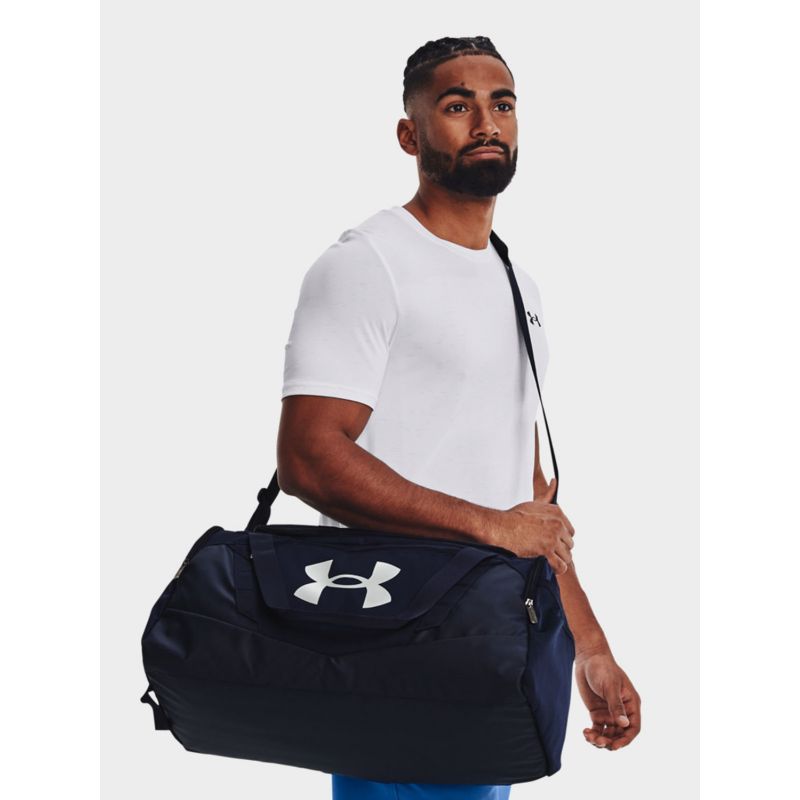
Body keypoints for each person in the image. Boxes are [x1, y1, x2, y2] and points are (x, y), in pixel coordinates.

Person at [277, 35, 641, 800]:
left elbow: (527, 496)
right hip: (390, 634)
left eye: (501, 104)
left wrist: (589, 646)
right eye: (456, 105)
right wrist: (492, 527)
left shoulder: (517, 282)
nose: (486, 122)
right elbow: (308, 458)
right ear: (409, 135)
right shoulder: (368, 263)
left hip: (491, 641)